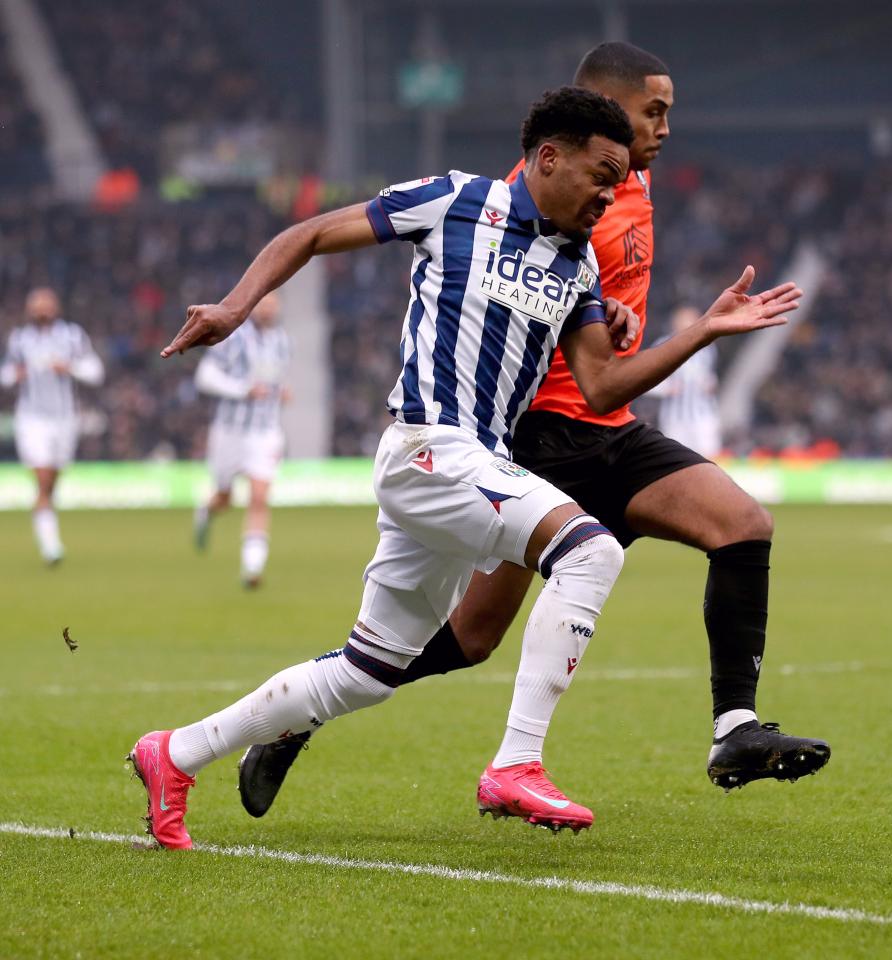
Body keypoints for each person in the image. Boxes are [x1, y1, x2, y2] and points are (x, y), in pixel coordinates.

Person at [128, 85, 802, 848]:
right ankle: (516, 763)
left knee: (367, 673)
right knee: (590, 550)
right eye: (600, 176)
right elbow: (311, 233)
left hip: (473, 464)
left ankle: (174, 753)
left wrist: (703, 331)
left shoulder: (577, 262)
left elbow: (603, 386)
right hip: (428, 447)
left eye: (618, 185)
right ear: (549, 158)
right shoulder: (455, 201)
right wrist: (234, 306)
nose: (608, 196)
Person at [192, 291, 291, 587]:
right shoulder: (233, 339)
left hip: (266, 431)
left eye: (273, 306)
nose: (268, 310)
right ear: (254, 307)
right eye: (264, 305)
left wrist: (281, 393)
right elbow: (205, 377)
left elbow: (274, 380)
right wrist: (242, 390)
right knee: (225, 498)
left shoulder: (282, 341)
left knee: (259, 497)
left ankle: (252, 568)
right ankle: (205, 511)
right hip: (230, 431)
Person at [0, 287, 104, 565]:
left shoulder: (72, 336)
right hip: (32, 419)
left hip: (64, 419)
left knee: (51, 483)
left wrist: (69, 368)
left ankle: (46, 527)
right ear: (29, 310)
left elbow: (95, 371)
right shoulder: (19, 339)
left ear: (56, 308)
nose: (41, 310)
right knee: (43, 477)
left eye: (45, 305)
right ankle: (51, 546)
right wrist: (15, 374)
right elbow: (5, 373)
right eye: (36, 306)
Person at [649, 305, 723, 458]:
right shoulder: (662, 344)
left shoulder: (707, 347)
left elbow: (710, 375)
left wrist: (710, 384)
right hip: (674, 417)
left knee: (709, 457)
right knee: (677, 458)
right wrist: (666, 388)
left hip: (703, 415)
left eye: (691, 320)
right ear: (674, 322)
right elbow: (645, 380)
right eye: (683, 320)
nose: (687, 324)